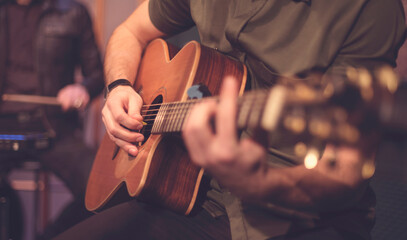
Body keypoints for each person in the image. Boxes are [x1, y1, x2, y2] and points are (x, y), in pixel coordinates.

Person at [55, 0, 406, 239]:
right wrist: (118, 87)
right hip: (188, 193)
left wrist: (257, 183)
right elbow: (129, 32)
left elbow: (344, 172)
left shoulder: (369, 9)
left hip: (300, 221)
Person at [0, 0, 104, 239]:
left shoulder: (72, 11)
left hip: (53, 126)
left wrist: (82, 89)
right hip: (4, 122)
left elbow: (97, 74)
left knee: (101, 190)